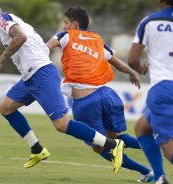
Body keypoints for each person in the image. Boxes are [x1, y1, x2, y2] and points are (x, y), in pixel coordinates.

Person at [0, 0, 124, 174]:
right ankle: (37, 149)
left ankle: (113, 144)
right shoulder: (13, 21)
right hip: (31, 76)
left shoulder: (2, 19)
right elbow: (33, 41)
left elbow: (20, 37)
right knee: (6, 108)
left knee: (61, 124)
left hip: (41, 73)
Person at [46, 6, 154, 182]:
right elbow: (117, 63)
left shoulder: (66, 35)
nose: (64, 26)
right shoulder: (97, 39)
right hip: (107, 95)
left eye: (66, 23)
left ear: (74, 23)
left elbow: (47, 47)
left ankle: (146, 172)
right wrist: (132, 73)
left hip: (86, 102)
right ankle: (160, 146)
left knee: (101, 146)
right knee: (115, 137)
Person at [128, 0, 173, 183]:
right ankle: (160, 176)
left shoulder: (149, 21)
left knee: (168, 147)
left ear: (160, 1)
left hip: (164, 87)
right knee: (142, 127)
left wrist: (141, 68)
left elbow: (132, 60)